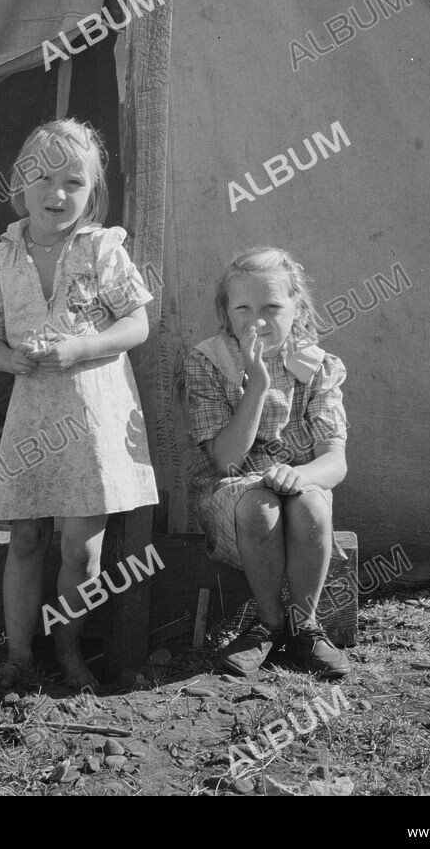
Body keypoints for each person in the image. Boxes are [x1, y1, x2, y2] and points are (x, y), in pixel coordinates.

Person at [0, 118, 158, 690]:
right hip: (34, 416)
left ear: (92, 189)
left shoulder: (102, 250)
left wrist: (83, 347)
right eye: (43, 179)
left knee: (82, 551)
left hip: (92, 415)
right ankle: (19, 657)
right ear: (19, 184)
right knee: (26, 538)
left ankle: (69, 649)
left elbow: (138, 322)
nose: (57, 194)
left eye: (74, 182)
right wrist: (9, 359)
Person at [182, 247, 350, 679]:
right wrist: (255, 386)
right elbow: (224, 459)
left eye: (273, 306)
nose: (257, 319)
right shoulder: (210, 360)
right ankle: (269, 624)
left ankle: (304, 627)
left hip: (295, 485)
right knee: (260, 504)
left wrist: (301, 474)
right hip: (231, 491)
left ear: (297, 308)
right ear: (226, 311)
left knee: (311, 505)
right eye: (243, 308)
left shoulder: (318, 367)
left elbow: (334, 460)